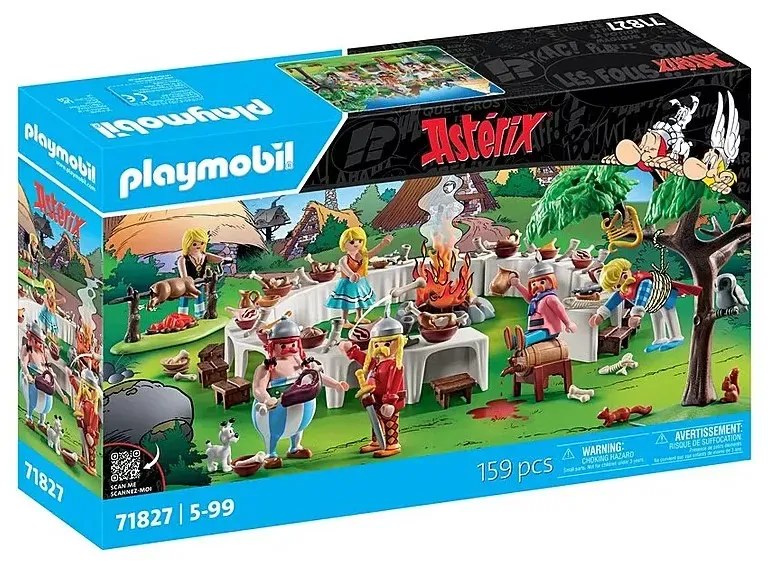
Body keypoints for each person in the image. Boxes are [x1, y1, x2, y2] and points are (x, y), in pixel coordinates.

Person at [251, 317, 348, 470]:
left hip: (302, 408)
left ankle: (294, 448)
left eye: (293, 344)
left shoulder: (302, 363)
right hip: (275, 411)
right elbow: (258, 388)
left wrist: (336, 384)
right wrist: (267, 399)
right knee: (272, 432)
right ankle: (271, 454)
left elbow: (317, 377)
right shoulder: (268, 367)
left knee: (297, 428)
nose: (289, 348)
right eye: (284, 345)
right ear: (272, 346)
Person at [588, 258, 701, 353]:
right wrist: (601, 315)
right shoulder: (623, 291)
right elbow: (612, 302)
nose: (621, 284)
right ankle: (660, 339)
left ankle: (676, 336)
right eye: (616, 285)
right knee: (656, 316)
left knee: (668, 313)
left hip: (663, 296)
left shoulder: (643, 282)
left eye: (623, 277)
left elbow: (642, 297)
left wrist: (636, 315)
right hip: (652, 304)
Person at [339, 315, 406, 458]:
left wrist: (390, 402)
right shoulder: (376, 362)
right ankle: (377, 442)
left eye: (386, 344)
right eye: (377, 345)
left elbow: (393, 385)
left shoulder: (395, 365)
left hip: (390, 401)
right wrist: (352, 351)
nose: (380, 348)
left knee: (390, 421)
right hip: (375, 397)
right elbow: (365, 360)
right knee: (376, 420)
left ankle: (392, 444)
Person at [326, 227, 393, 328]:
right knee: (346, 303)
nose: (356, 244)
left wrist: (383, 244)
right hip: (348, 284)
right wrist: (351, 275)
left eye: (360, 241)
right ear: (344, 244)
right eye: (352, 242)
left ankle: (359, 316)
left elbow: (372, 253)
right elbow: (345, 268)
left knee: (360, 300)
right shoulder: (344, 259)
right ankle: (344, 320)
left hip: (360, 282)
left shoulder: (362, 256)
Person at [506, 261, 576, 352]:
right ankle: (515, 341)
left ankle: (524, 341)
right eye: (533, 284)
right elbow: (529, 297)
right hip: (535, 327)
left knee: (537, 335)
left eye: (542, 282)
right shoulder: (536, 298)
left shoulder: (550, 298)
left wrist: (568, 323)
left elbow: (560, 310)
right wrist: (518, 285)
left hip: (548, 329)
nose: (537, 285)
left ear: (551, 280)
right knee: (527, 334)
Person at [176, 228, 225, 318]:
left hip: (200, 282)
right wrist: (187, 282)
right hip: (187, 285)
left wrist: (224, 260)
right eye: (194, 244)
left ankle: (200, 315)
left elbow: (218, 259)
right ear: (188, 243)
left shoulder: (204, 256)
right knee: (184, 299)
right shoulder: (183, 259)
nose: (198, 246)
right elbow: (184, 276)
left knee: (199, 297)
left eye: (202, 243)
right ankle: (182, 317)